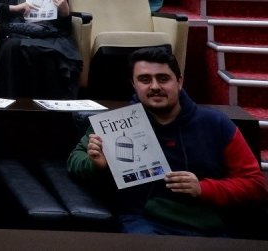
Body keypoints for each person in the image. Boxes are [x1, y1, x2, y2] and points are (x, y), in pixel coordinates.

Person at [67, 47, 267, 237]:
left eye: (163, 79)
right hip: (142, 222)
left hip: (209, 227)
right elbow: (75, 160)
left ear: (179, 82)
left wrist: (204, 188)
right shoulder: (118, 123)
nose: (155, 87)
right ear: (133, 85)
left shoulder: (216, 124)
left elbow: (255, 184)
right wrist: (96, 165)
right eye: (145, 79)